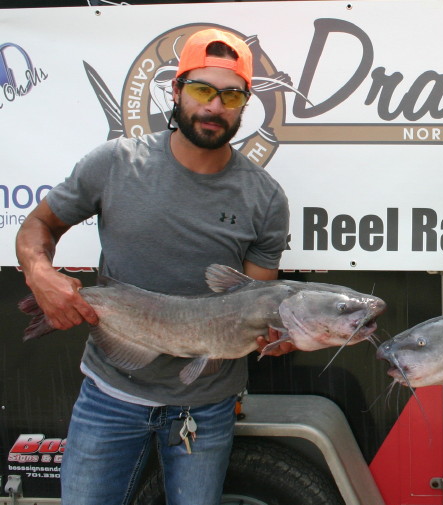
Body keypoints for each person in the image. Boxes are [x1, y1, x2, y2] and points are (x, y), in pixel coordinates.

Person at [15, 28, 291, 505]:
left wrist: (277, 336)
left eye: (231, 95)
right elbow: (37, 227)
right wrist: (40, 274)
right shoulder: (114, 164)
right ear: (177, 90)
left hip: (205, 408)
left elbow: (253, 307)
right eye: (203, 90)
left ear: (245, 103)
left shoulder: (265, 198)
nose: (214, 106)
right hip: (110, 395)